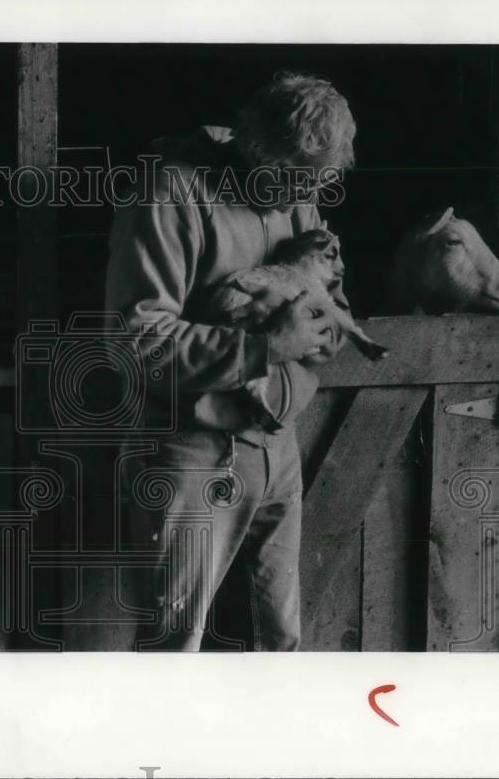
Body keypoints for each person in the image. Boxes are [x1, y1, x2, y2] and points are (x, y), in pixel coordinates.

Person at [105, 71, 357, 650]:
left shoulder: (300, 195)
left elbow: (333, 310)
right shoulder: (171, 193)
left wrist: (324, 330)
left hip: (277, 446)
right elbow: (138, 341)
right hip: (193, 450)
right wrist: (267, 347)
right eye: (294, 178)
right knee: (179, 645)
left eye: (315, 183)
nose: (303, 196)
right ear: (256, 148)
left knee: (280, 641)